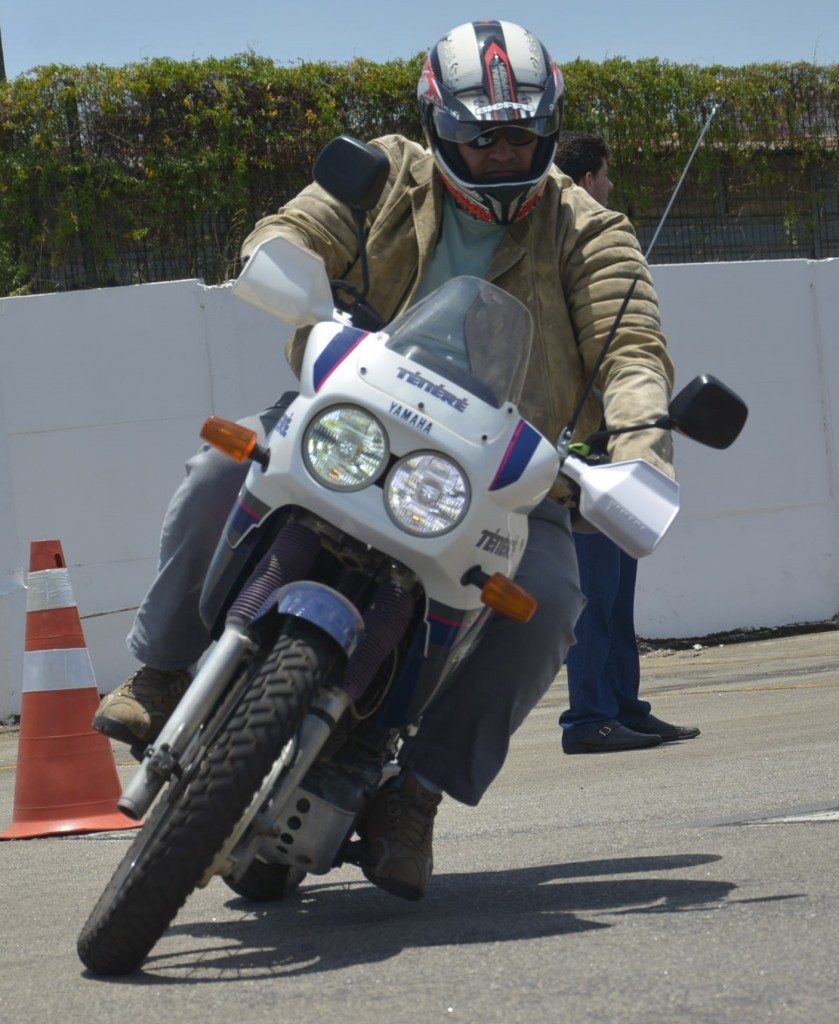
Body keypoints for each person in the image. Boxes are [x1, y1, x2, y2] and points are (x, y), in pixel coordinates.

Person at [93, 22, 675, 900]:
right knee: (220, 469)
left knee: (551, 603)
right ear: (441, 124)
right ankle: (166, 665)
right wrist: (276, 261)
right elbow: (293, 226)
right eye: (480, 134)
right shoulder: (387, 171)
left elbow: (631, 350)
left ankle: (417, 793)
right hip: (354, 417)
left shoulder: (592, 231)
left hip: (502, 477)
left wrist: (639, 455)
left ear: (549, 130)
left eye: (518, 133)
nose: (499, 150)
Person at [555, 130, 700, 754]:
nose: (611, 188)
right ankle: (587, 719)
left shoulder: (595, 256)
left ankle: (624, 708)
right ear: (587, 182)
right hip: (577, 457)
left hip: (610, 445)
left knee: (617, 598)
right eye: (606, 176)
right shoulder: (561, 253)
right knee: (592, 599)